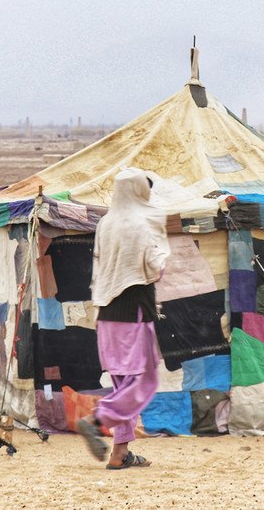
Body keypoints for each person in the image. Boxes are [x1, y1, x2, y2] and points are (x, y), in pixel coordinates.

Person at [76, 168, 170, 470]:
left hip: (106, 314)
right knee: (144, 380)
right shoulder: (142, 223)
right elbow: (154, 267)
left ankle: (120, 454)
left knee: (123, 385)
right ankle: (96, 419)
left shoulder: (105, 222)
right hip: (134, 312)